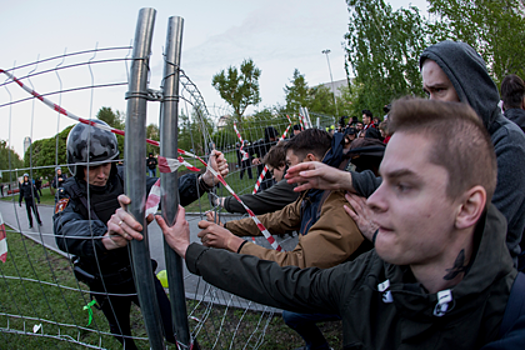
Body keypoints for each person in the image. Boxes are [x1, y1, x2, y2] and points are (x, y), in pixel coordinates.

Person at [115, 98, 520, 349]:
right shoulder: (368, 278)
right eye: (380, 180)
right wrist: (193, 251)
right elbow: (283, 278)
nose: (374, 199)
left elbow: (293, 266)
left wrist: (228, 241)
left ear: (467, 208)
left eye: (403, 186)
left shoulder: (512, 321)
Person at [287, 40, 525, 270]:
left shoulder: (508, 144)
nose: (432, 103)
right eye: (427, 92)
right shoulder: (452, 138)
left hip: (478, 291)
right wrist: (342, 179)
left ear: (469, 88)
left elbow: (472, 241)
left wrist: (381, 234)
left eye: (440, 90)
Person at [53, 120, 228, 349]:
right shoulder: (69, 193)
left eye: (106, 164)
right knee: (122, 335)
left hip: (140, 271)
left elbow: (163, 191)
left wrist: (203, 181)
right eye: (92, 167)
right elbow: (64, 228)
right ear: (76, 166)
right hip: (103, 281)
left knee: (175, 328)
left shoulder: (125, 178)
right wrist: (104, 236)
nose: (102, 174)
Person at [203, 129, 371, 350]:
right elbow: (279, 218)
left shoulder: (341, 202)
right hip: (341, 279)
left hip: (359, 291)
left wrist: (231, 242)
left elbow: (298, 266)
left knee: (293, 313)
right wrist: (227, 227)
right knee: (293, 314)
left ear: (310, 160)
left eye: (289, 164)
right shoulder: (316, 191)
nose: (285, 172)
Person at [217, 142, 299, 215]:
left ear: (282, 165)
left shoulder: (292, 183)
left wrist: (224, 202)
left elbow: (258, 201)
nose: (273, 177)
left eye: (272, 172)